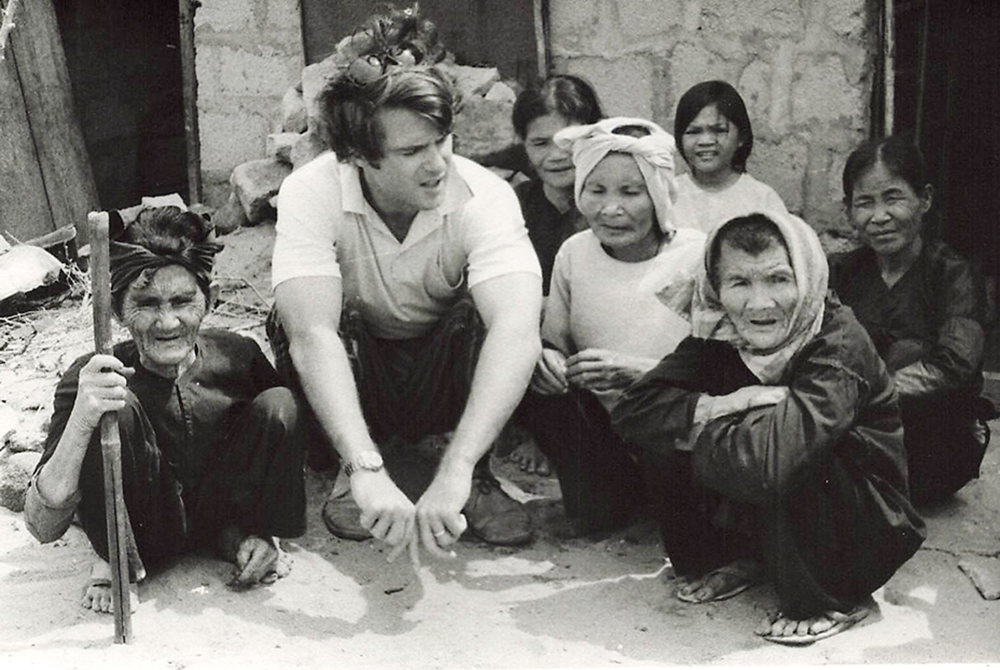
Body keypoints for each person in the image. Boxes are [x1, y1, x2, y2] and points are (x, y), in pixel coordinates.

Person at [267, 8, 543, 557]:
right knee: (306, 312)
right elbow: (312, 336)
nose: (438, 163)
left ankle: (474, 469)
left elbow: (517, 330)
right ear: (355, 157)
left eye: (442, 141)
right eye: (412, 151)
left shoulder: (484, 196)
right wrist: (365, 466)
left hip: (437, 367)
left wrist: (459, 467)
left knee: (491, 315)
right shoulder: (310, 191)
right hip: (360, 357)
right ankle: (357, 466)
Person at [612, 211, 925, 644]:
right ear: (716, 287)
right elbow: (633, 411)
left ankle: (837, 598)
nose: (759, 304)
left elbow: (774, 463)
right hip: (763, 487)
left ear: (808, 276)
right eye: (740, 283)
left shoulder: (837, 344)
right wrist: (723, 404)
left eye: (778, 279)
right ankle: (740, 558)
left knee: (783, 448)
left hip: (862, 525)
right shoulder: (721, 331)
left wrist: (703, 425)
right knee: (677, 425)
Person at [24, 206, 305, 613]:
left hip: (221, 519)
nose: (167, 321)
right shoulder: (92, 376)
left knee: (281, 403)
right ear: (119, 311)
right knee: (113, 410)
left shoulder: (239, 357)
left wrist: (267, 531)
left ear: (209, 301)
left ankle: (246, 539)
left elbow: (281, 449)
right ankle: (114, 557)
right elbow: (42, 525)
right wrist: (84, 419)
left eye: (182, 301)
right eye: (148, 303)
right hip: (143, 534)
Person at [516, 117, 705, 535]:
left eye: (630, 192)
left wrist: (642, 372)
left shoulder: (697, 257)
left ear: (657, 196)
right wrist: (548, 358)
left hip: (677, 429)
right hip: (606, 429)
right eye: (596, 190)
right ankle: (607, 498)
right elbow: (555, 339)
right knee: (537, 386)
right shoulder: (574, 254)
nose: (611, 208)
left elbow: (721, 366)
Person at [831, 136, 996, 504]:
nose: (879, 217)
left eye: (893, 198)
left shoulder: (951, 274)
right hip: (862, 427)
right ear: (848, 212)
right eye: (864, 203)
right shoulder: (842, 272)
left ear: (925, 200)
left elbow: (954, 366)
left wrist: (871, 392)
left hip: (935, 442)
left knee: (909, 351)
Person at [506, 74, 604, 476]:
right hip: (535, 338)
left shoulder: (611, 200)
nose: (556, 155)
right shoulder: (517, 204)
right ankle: (531, 430)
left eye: (568, 141)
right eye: (540, 143)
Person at [671, 80, 789, 234]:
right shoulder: (668, 195)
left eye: (719, 130)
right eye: (694, 132)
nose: (705, 141)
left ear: (741, 137)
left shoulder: (762, 199)